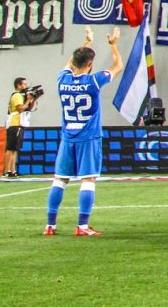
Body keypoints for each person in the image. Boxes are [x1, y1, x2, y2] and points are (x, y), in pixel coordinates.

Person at [44, 26, 124, 237]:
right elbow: (118, 66)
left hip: (68, 136)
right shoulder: (93, 81)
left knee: (59, 179)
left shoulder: (62, 80)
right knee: (88, 179)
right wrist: (113, 46)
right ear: (90, 64)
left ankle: (50, 225)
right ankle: (82, 225)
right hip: (88, 137)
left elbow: (71, 63)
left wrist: (86, 42)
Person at [5, 77, 40, 178]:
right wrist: (28, 100)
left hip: (19, 123)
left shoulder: (21, 96)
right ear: (18, 85)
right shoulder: (17, 95)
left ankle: (12, 170)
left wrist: (33, 99)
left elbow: (29, 108)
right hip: (15, 123)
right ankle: (7, 170)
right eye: (24, 84)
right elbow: (21, 108)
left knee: (15, 149)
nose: (25, 86)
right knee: (11, 148)